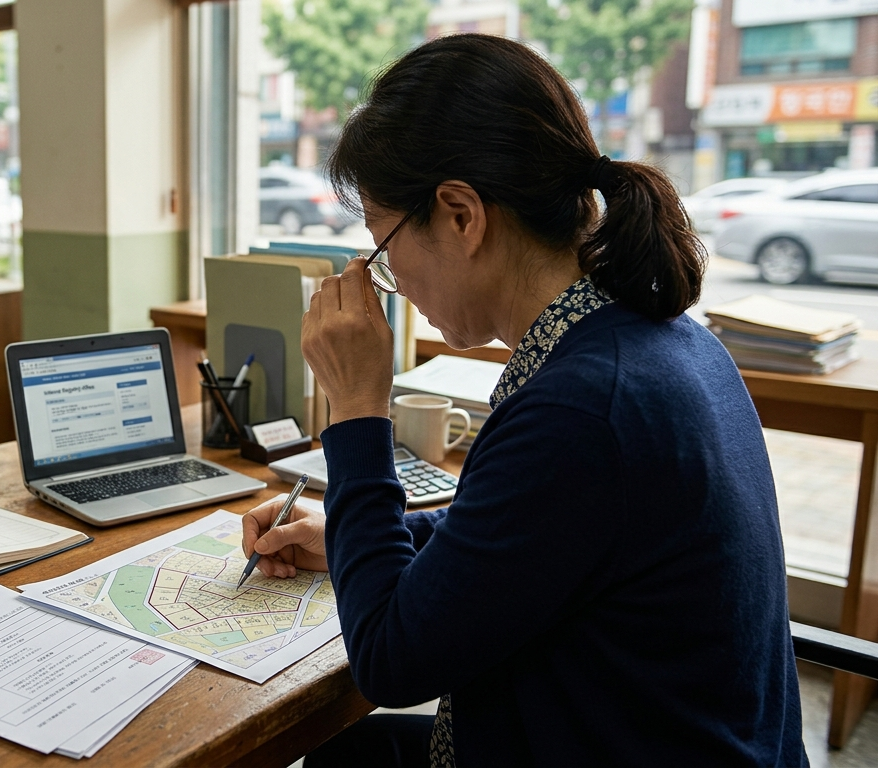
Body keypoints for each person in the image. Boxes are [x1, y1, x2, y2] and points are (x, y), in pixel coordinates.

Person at [240, 34, 806, 767]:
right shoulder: (651, 336)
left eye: (383, 247)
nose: (391, 279)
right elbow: (537, 528)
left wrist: (356, 404)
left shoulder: (583, 407)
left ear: (461, 215)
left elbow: (389, 660)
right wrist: (369, 537)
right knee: (356, 752)